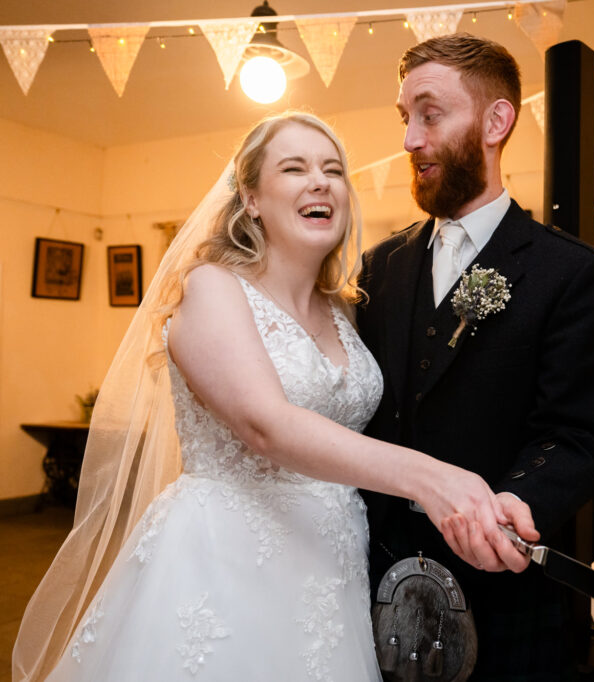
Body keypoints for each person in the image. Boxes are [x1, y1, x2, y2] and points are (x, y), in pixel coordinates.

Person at [13, 112, 509, 682]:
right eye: (294, 168)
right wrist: (430, 478)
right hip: (224, 563)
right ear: (250, 198)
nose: (320, 181)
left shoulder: (347, 309)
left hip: (333, 567)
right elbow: (266, 425)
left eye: (333, 170)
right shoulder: (211, 288)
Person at [357, 34, 594, 680]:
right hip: (379, 584)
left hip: (509, 599)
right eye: (405, 120)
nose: (411, 140)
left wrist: (518, 502)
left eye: (430, 113)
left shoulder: (569, 273)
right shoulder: (380, 268)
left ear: (496, 122)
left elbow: (576, 437)